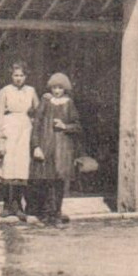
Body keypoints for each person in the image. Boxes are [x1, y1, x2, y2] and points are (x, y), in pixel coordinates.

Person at [30, 73, 82, 226]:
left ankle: (57, 214)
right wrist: (36, 146)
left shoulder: (69, 104)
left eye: (60, 88)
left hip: (63, 150)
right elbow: (37, 125)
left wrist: (65, 126)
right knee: (45, 181)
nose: (57, 91)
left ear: (65, 89)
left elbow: (77, 126)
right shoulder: (45, 102)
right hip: (47, 147)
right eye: (54, 87)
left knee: (59, 183)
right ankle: (46, 215)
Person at [0, 60, 39, 221]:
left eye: (21, 75)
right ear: (11, 76)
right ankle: (7, 205)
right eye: (15, 75)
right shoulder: (4, 91)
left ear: (26, 76)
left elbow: (38, 112)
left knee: (21, 168)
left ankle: (19, 205)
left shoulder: (31, 91)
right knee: (7, 168)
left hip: (25, 130)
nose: (18, 78)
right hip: (9, 128)